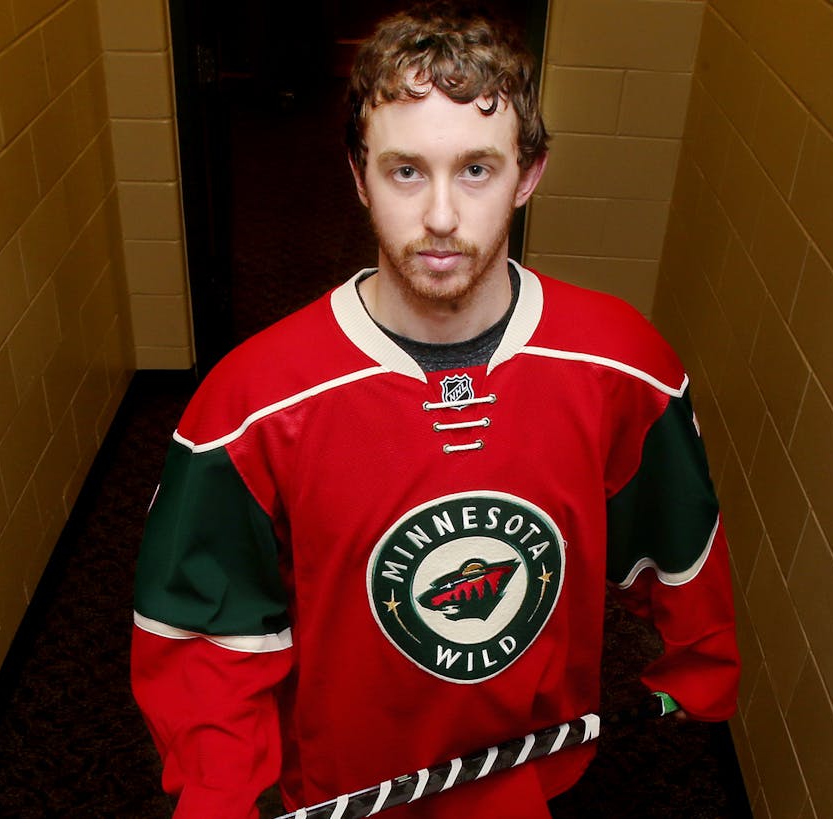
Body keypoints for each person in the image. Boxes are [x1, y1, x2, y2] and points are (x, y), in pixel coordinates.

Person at [129, 4, 740, 817]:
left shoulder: (621, 363)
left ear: (529, 173)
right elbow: (208, 634)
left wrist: (699, 664)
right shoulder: (252, 402)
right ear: (359, 174)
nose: (443, 217)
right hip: (345, 785)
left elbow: (677, 535)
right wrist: (218, 795)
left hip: (534, 771)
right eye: (406, 171)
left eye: (477, 170)